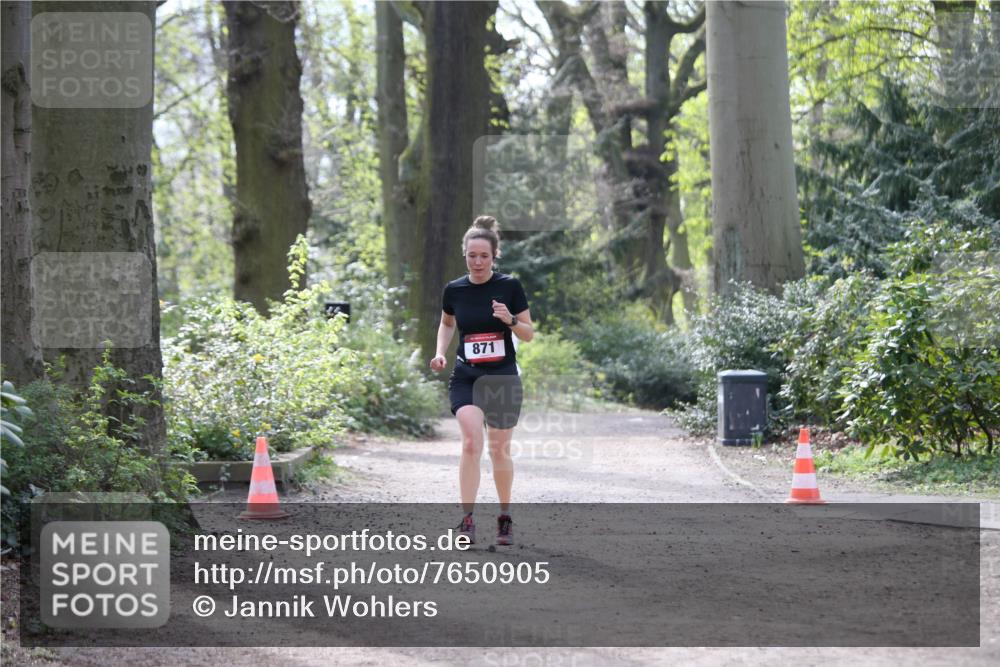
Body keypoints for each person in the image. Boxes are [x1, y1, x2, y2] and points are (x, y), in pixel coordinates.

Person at [429, 215, 533, 546]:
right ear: (465, 256)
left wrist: (511, 319)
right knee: (471, 443)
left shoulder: (510, 287)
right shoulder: (454, 290)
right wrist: (440, 351)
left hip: (502, 376)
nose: (477, 262)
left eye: (484, 256)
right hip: (467, 375)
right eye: (472, 256)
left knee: (499, 450)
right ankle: (468, 519)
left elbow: (528, 334)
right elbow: (447, 324)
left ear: (494, 256)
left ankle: (504, 516)